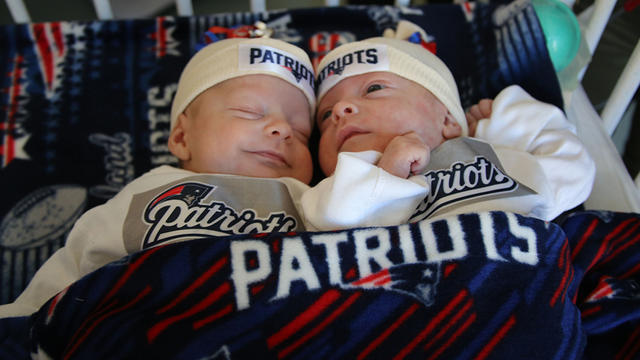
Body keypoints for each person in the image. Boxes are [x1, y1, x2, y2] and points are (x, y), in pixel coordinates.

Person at [0, 37, 317, 318]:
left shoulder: (309, 199)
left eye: (303, 133)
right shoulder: (144, 193)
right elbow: (68, 271)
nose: (284, 129)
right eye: (249, 111)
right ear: (181, 137)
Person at [300, 22, 596, 230]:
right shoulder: (324, 197)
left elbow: (573, 172)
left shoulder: (491, 161)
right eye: (325, 117)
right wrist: (387, 174)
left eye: (373, 88)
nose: (339, 110)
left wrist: (512, 125)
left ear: (448, 121)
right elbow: (332, 240)